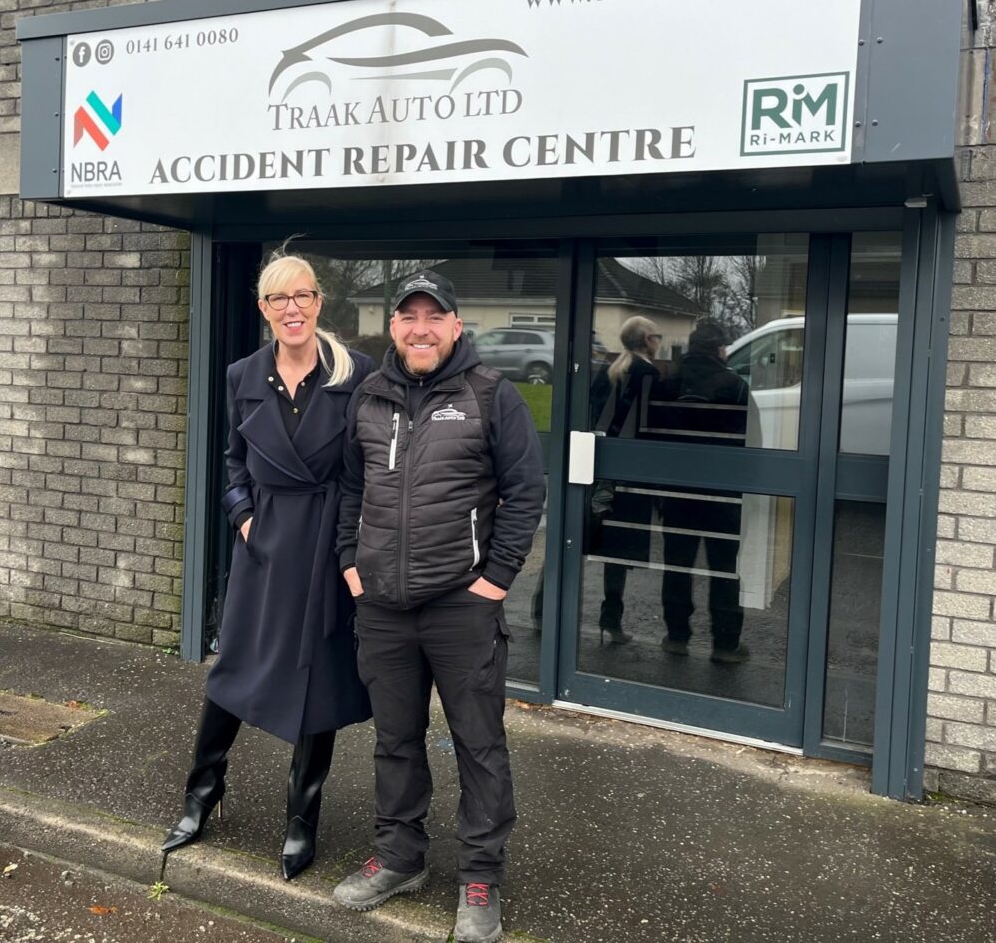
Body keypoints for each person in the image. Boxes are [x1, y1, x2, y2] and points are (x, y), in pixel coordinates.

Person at [331, 271, 545, 943]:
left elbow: (525, 491)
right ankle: (400, 857)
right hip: (383, 609)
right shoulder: (368, 396)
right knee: (394, 742)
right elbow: (349, 489)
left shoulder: (490, 395)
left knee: (478, 746)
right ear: (392, 327)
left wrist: (494, 582)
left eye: (433, 316)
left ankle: (479, 877)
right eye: (407, 317)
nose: (419, 328)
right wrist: (350, 566)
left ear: (455, 325)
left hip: (460, 607)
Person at [161, 252, 373, 880]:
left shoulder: (353, 373)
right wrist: (243, 517)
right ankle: (202, 793)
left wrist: (350, 546)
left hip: (324, 541)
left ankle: (301, 817)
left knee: (317, 678)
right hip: (264, 542)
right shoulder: (242, 374)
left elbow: (363, 470)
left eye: (302, 296)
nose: (292, 309)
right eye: (278, 299)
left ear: (318, 303)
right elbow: (232, 459)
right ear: (263, 309)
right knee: (233, 669)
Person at [655, 319, 750, 663]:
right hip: (722, 494)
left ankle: (676, 636)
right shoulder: (736, 385)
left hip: (678, 492)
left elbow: (652, 438)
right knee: (724, 569)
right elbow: (752, 443)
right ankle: (725, 644)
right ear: (720, 350)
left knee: (677, 566)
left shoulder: (667, 384)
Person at [588, 315, 662, 644]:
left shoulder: (610, 370)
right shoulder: (648, 374)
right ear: (647, 340)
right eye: (656, 336)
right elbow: (651, 428)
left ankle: (550, 613)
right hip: (633, 476)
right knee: (621, 551)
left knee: (605, 548)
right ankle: (610, 618)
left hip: (601, 472)